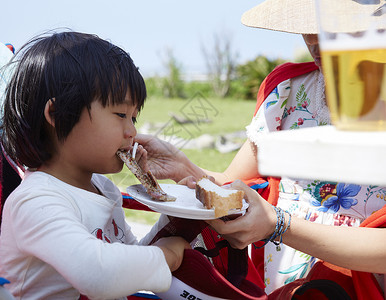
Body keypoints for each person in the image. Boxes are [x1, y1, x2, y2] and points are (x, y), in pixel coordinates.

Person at [135, 0, 386, 297]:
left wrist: (278, 225)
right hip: (272, 271)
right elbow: (236, 184)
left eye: (336, 24)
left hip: (356, 282)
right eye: (308, 25)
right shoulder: (289, 90)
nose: (316, 40)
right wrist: (184, 168)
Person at [0, 31, 190, 299]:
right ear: (58, 115)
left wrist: (175, 218)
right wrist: (167, 256)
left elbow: (128, 258)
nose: (131, 131)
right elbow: (100, 274)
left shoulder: (103, 188)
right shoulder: (36, 200)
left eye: (134, 117)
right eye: (121, 114)